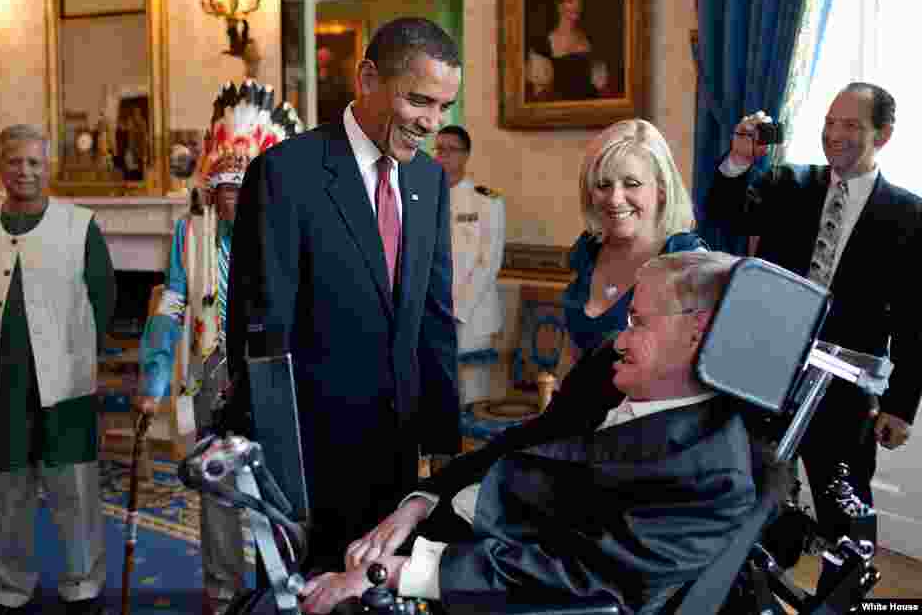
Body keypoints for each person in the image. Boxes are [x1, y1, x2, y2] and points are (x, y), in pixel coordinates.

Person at [298, 251, 758, 614]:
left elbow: (581, 578)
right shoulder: (610, 370)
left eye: (637, 322)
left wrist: (399, 573)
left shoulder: (712, 476)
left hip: (486, 581)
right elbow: (525, 439)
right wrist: (421, 502)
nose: (619, 339)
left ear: (697, 333)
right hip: (452, 525)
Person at [224, 17, 463, 571]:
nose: (432, 123)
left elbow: (434, 313)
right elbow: (261, 328)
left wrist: (443, 437)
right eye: (419, 101)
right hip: (310, 455)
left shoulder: (428, 181)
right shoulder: (287, 172)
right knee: (312, 594)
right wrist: (273, 456)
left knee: (382, 590)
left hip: (398, 446)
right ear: (367, 78)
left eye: (443, 106)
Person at [706, 82, 922, 583]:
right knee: (748, 495)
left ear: (884, 135)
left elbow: (914, 320)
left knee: (844, 511)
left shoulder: (910, 216)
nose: (834, 135)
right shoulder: (788, 184)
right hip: (763, 372)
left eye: (851, 125)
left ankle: (843, 597)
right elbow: (724, 213)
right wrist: (740, 159)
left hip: (845, 388)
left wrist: (899, 405)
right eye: (829, 123)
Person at [134, 80, 301, 615]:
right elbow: (174, 304)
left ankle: (284, 583)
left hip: (272, 372)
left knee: (278, 483)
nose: (231, 197)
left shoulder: (280, 230)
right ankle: (222, 590)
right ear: (209, 190)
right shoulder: (190, 235)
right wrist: (154, 376)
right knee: (215, 481)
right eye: (222, 187)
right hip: (211, 371)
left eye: (240, 185)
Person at [0, 124, 116, 614]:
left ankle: (82, 584)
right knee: (4, 491)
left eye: (34, 162)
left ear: (47, 166)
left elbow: (103, 298)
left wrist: (75, 354)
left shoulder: (80, 224)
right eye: (14, 162)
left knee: (74, 490)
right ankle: (10, 586)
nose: (24, 172)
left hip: (63, 383)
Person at [562, 119, 705, 359]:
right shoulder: (586, 250)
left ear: (661, 189)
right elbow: (571, 359)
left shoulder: (687, 262)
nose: (615, 199)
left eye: (632, 184)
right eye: (603, 185)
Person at [432, 126, 506, 407]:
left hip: (473, 316)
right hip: (435, 312)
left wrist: (457, 309)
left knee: (474, 399)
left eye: (451, 149)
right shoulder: (424, 197)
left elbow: (489, 262)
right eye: (438, 149)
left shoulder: (486, 199)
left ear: (466, 155)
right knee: (439, 400)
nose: (443, 156)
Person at [526, 0, 612, 101]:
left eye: (580, 0)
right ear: (559, 6)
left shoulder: (590, 41)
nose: (577, 5)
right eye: (570, 0)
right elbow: (540, 94)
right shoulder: (542, 44)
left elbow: (601, 86)